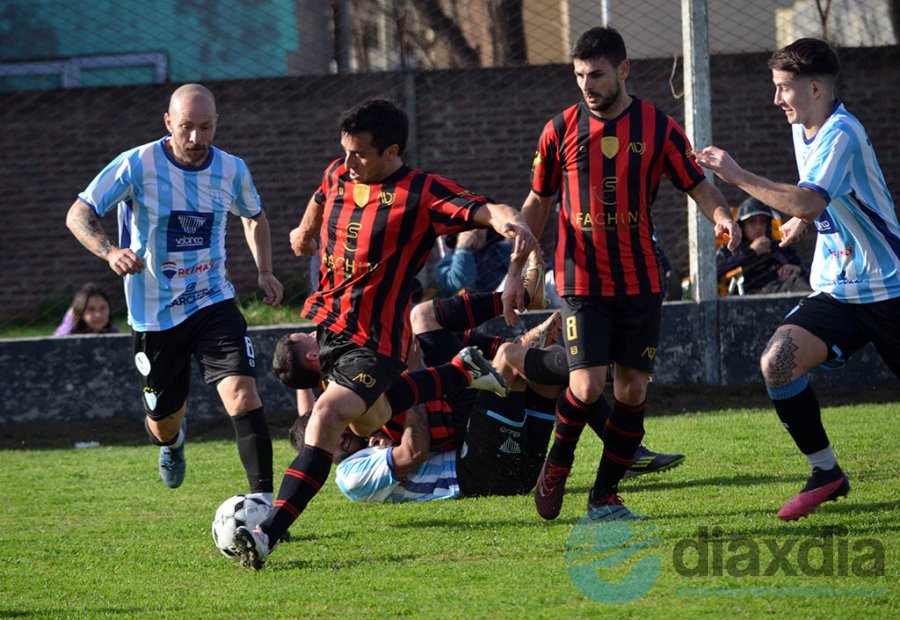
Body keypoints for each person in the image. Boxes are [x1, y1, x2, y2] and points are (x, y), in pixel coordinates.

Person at [230, 97, 537, 570]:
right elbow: (322, 195)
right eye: (345, 150)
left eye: (359, 154)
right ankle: (461, 373)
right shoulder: (340, 172)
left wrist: (509, 223)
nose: (348, 162)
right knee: (367, 422)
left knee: (326, 418)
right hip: (329, 330)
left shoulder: (421, 193)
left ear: (392, 152)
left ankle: (267, 533)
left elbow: (485, 209)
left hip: (376, 343)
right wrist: (304, 232)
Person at [518, 26, 741, 523]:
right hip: (580, 277)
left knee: (632, 390)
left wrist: (722, 216)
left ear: (623, 70)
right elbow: (538, 200)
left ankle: (604, 497)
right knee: (586, 385)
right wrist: (519, 263)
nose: (587, 85)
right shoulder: (559, 129)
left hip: (639, 277)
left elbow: (698, 185)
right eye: (579, 75)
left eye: (596, 74)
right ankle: (556, 466)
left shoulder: (659, 127)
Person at [695, 38, 900, 520]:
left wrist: (737, 175)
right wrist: (801, 222)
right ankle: (825, 473)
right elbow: (820, 199)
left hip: (887, 286)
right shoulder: (805, 127)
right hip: (838, 288)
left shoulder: (842, 132)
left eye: (784, 88)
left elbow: (809, 198)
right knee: (778, 361)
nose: (776, 99)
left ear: (814, 89)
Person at [65, 83, 284, 502]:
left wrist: (265, 271)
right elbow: (79, 213)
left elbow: (253, 216)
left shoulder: (232, 169)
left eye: (206, 127)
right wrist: (110, 252)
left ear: (217, 123)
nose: (197, 138)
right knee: (164, 423)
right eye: (186, 127)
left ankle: (263, 506)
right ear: (168, 122)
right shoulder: (136, 164)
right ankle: (173, 441)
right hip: (154, 314)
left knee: (242, 393)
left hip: (212, 300)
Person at [716, 197, 811, 295]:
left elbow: (811, 275)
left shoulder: (780, 246)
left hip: (786, 289)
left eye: (762, 222)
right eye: (752, 222)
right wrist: (751, 252)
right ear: (742, 225)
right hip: (749, 295)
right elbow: (713, 273)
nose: (758, 227)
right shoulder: (731, 248)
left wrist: (797, 269)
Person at [54, 283, 120, 336]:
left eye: (103, 308)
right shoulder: (69, 335)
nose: (98, 315)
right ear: (80, 312)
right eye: (91, 309)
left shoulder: (114, 334)